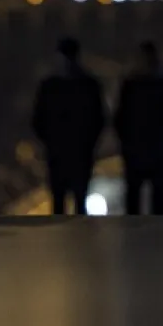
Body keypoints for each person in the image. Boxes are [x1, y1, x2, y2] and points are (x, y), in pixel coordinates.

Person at [114, 41, 163, 215]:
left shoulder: (131, 87)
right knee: (158, 204)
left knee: (134, 205)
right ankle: (157, 239)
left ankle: (133, 238)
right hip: (157, 151)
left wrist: (127, 141)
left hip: (138, 151)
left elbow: (119, 119)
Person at [32, 38, 106, 215]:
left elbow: (38, 119)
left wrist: (50, 141)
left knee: (59, 202)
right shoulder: (89, 85)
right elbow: (99, 119)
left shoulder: (49, 86)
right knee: (79, 202)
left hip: (59, 151)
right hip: (80, 151)